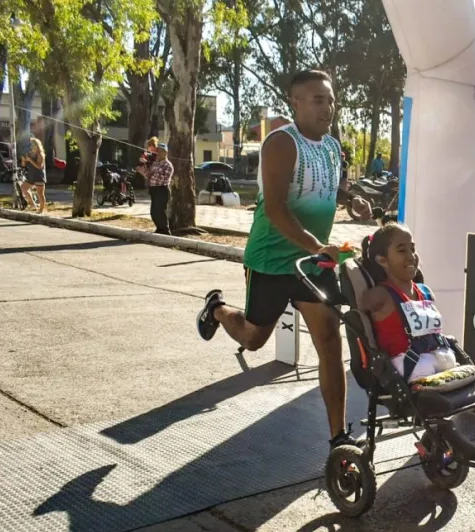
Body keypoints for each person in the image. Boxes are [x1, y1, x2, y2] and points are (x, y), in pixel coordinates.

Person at [195, 69, 373, 448]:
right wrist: (314, 245)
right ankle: (217, 310)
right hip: (272, 261)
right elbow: (275, 208)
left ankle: (338, 436)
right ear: (295, 103)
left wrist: (349, 199)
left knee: (329, 340)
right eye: (318, 100)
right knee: (254, 338)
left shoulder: (329, 146)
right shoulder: (280, 143)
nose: (328, 108)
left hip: (312, 263)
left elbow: (324, 185)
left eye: (331, 99)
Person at [359, 222, 458, 382]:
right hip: (406, 362)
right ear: (382, 260)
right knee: (426, 368)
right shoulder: (381, 295)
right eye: (402, 250)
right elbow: (362, 302)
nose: (411, 256)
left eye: (412, 249)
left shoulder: (425, 292)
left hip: (437, 354)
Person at [136, 142, 173, 235]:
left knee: (160, 211)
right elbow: (149, 175)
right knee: (153, 212)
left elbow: (163, 179)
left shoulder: (168, 165)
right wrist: (142, 172)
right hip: (153, 190)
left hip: (162, 190)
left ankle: (165, 230)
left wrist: (152, 174)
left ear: (166, 152)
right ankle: (159, 229)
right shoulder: (155, 163)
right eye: (158, 151)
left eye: (161, 151)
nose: (159, 153)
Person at [21, 137, 47, 213]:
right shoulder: (30, 154)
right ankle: (33, 204)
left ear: (37, 145)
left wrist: (30, 160)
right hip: (31, 176)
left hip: (39, 176)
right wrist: (23, 160)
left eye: (33, 145)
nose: (31, 146)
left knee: (40, 194)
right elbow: (23, 165)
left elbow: (39, 166)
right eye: (30, 145)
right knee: (23, 188)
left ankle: (41, 210)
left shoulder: (40, 155)